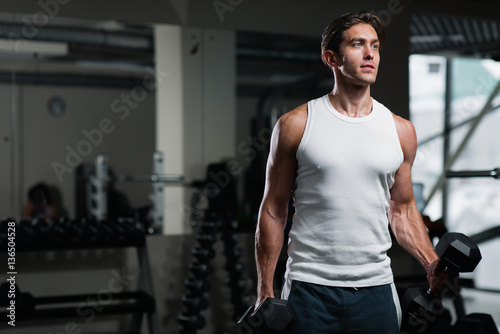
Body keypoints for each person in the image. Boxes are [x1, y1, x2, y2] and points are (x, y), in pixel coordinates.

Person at [254, 11, 448, 333]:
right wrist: (264, 290)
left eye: (374, 46)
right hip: (309, 287)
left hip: (377, 290)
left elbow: (402, 209)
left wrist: (430, 262)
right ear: (332, 57)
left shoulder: (401, 131)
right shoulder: (296, 125)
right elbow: (274, 210)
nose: (370, 53)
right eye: (358, 44)